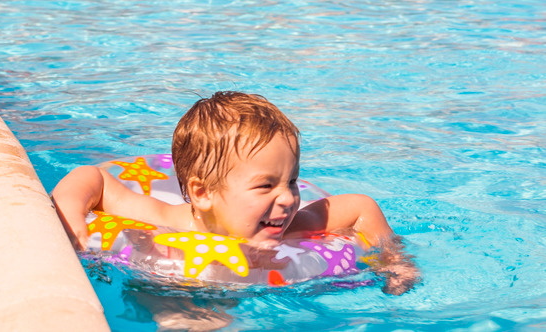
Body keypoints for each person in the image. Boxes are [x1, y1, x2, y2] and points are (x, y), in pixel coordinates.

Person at [52, 91, 418, 295]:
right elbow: (91, 179)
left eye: (291, 181)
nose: (289, 198)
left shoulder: (292, 226)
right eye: (266, 185)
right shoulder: (164, 219)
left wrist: (392, 258)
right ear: (202, 193)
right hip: (169, 283)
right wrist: (71, 218)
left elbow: (359, 207)